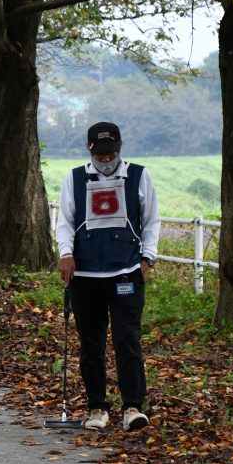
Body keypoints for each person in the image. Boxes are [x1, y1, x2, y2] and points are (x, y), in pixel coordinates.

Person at [56, 122, 159, 432]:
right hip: (85, 275)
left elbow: (152, 220)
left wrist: (147, 258)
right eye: (100, 155)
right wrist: (65, 254)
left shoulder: (139, 176)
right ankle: (97, 407)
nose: (106, 159)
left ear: (120, 148)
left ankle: (132, 406)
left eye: (112, 153)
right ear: (90, 150)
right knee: (91, 343)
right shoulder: (74, 178)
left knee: (128, 340)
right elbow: (64, 220)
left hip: (126, 271)